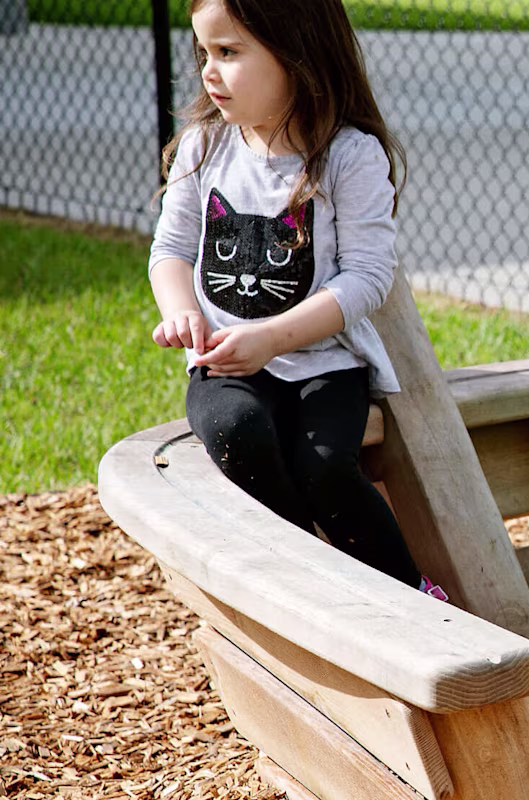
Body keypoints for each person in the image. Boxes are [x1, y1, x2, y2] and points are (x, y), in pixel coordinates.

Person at [146, 0, 442, 598]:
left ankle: (410, 596)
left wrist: (273, 338)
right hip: (226, 363)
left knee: (327, 468)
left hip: (326, 364)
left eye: (229, 52)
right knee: (238, 430)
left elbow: (365, 278)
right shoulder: (203, 147)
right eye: (204, 52)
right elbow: (170, 250)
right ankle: (316, 592)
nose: (208, 70)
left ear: (297, 54)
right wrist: (181, 310)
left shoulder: (350, 156)